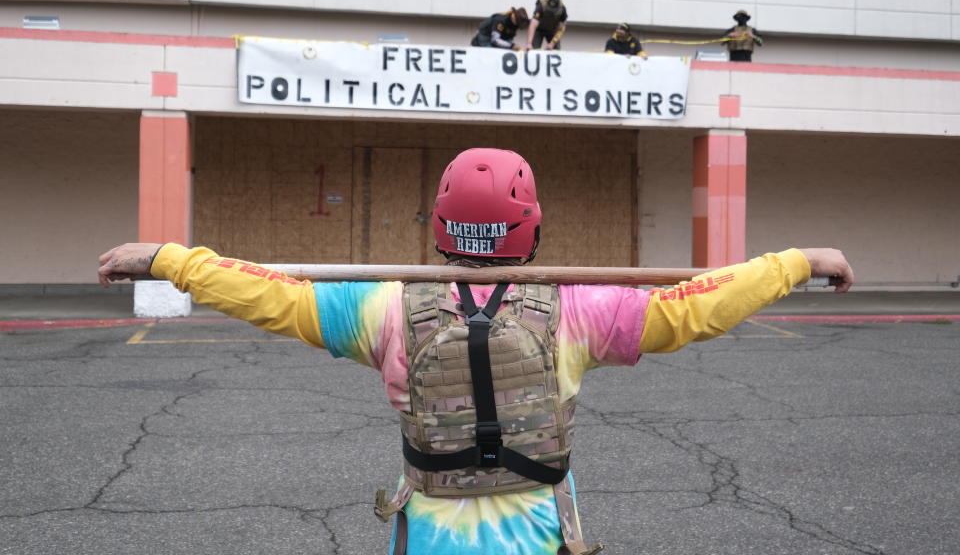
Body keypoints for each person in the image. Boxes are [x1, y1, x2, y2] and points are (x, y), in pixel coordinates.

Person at [98, 148, 853, 555]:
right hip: (536, 535)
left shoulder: (381, 306)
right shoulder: (580, 310)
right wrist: (799, 260)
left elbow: (266, 291)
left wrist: (169, 258)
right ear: (532, 226)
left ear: (442, 226)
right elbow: (699, 307)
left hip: (430, 535)